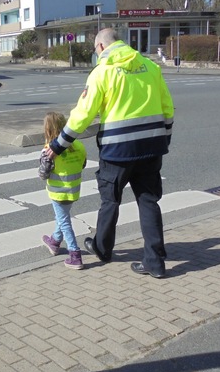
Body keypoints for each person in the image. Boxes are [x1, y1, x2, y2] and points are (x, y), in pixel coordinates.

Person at [45, 27, 174, 278]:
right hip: (151, 148)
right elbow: (167, 107)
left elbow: (82, 115)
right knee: (148, 201)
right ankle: (155, 262)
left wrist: (57, 145)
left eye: (95, 50)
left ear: (102, 47)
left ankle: (103, 249)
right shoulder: (150, 67)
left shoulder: (102, 72)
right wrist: (164, 139)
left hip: (118, 151)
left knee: (110, 201)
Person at [39, 112, 87, 270]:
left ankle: (75, 254)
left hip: (57, 191)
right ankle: (54, 241)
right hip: (73, 189)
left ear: (47, 129)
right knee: (63, 217)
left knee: (64, 221)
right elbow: (83, 164)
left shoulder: (49, 150)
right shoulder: (79, 146)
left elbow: (43, 173)